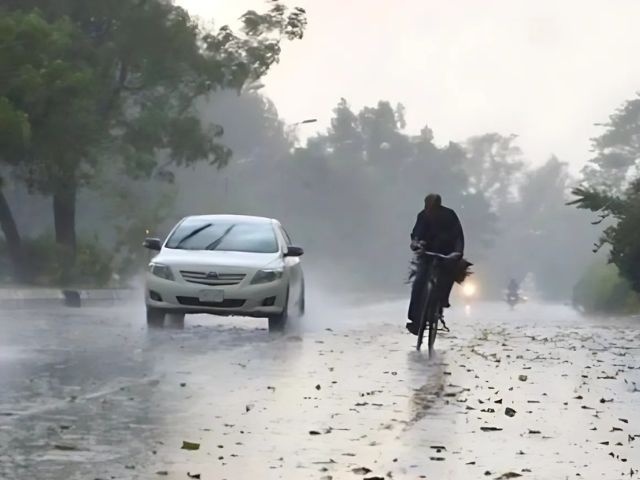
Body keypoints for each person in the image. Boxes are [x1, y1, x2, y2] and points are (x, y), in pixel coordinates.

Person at [407, 193, 465, 335]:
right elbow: (416, 233)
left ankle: (441, 302)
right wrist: (415, 243)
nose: (430, 209)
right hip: (426, 254)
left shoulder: (449, 215)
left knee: (447, 277)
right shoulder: (422, 216)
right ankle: (415, 320)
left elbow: (458, 235)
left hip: (446, 255)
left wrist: (457, 253)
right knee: (419, 283)